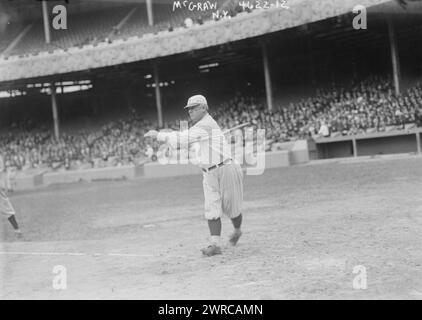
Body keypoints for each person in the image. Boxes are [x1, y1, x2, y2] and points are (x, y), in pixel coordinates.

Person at [144, 95, 244, 257]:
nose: (190, 111)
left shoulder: (205, 124)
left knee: (232, 208)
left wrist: (159, 135)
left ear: (204, 108)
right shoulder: (201, 127)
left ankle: (237, 230)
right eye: (189, 108)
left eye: (194, 107)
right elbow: (185, 140)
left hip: (226, 168)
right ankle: (215, 245)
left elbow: (183, 139)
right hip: (209, 172)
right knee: (211, 208)